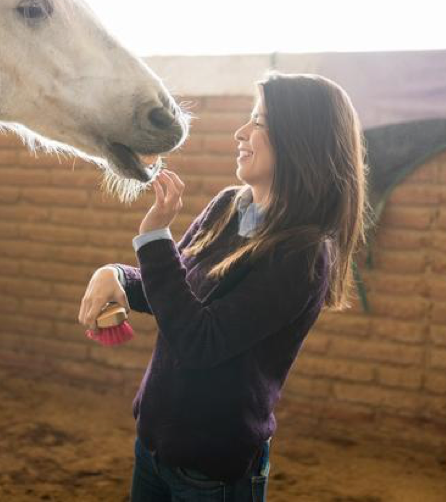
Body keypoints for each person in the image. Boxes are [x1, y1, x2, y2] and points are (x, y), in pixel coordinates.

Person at [78, 72, 367, 501]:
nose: (241, 132)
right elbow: (177, 295)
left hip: (212, 471)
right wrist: (117, 275)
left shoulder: (302, 255)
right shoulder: (228, 205)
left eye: (260, 123)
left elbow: (200, 338)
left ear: (300, 138)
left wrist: (155, 237)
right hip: (155, 446)